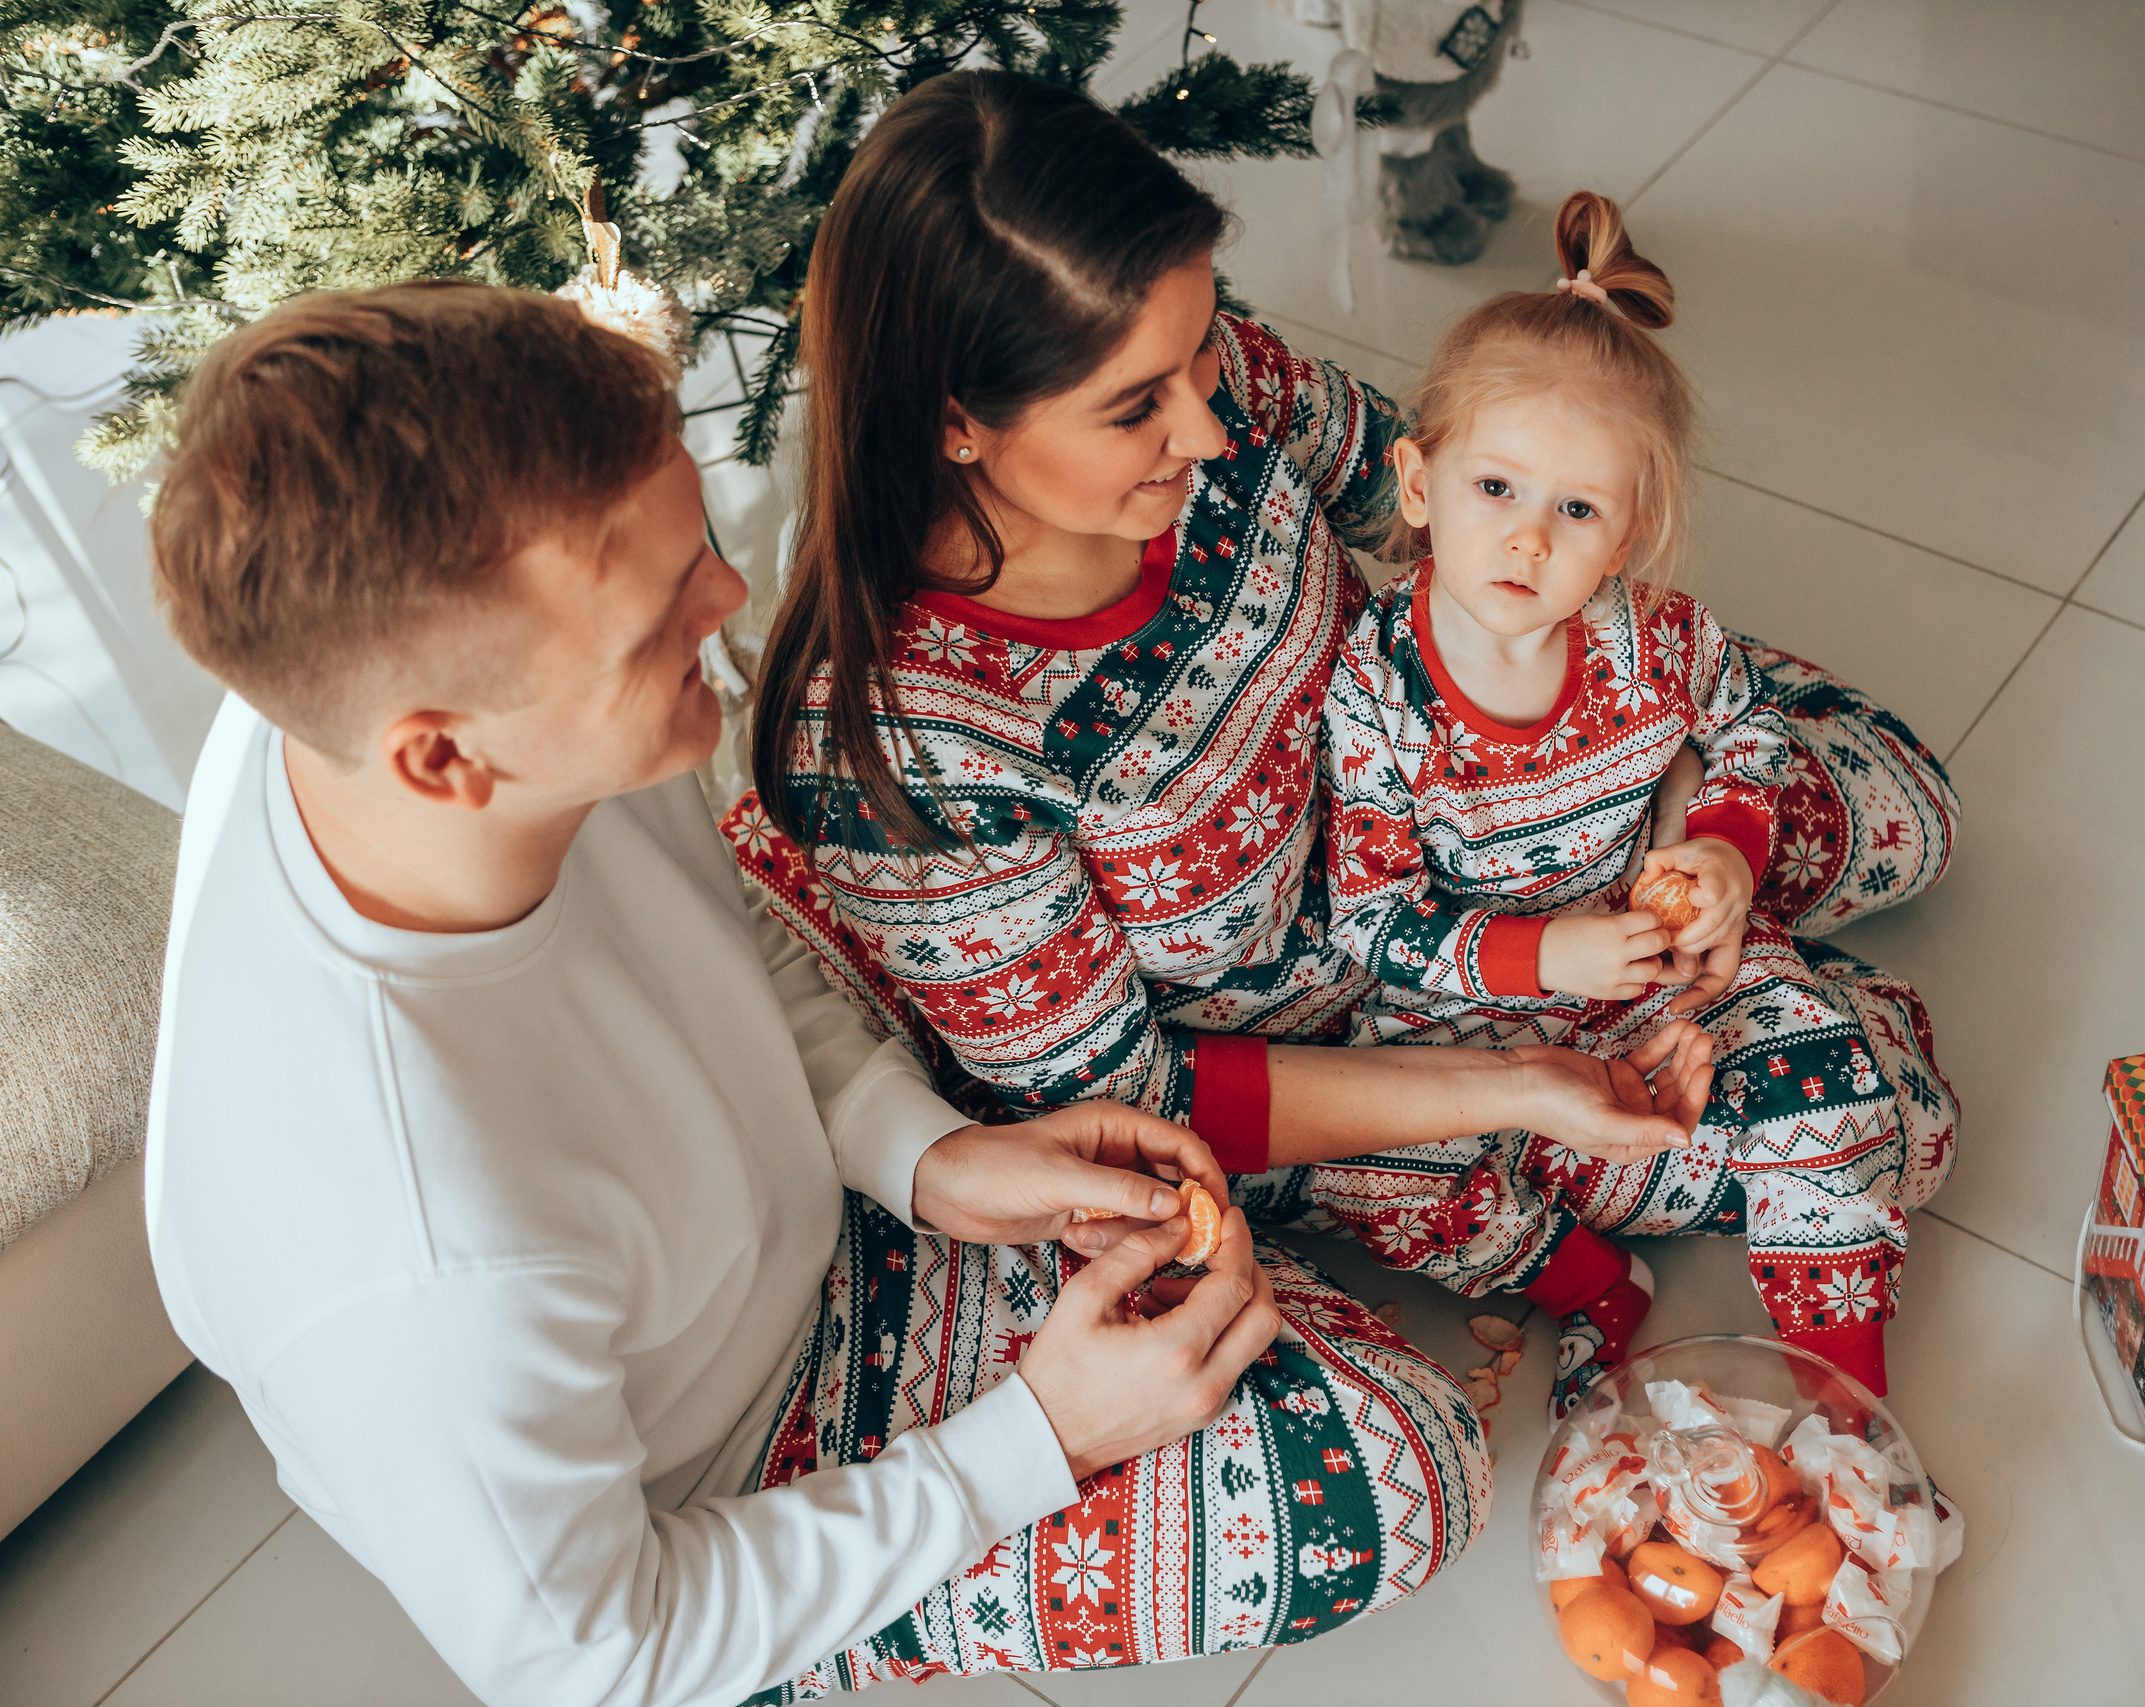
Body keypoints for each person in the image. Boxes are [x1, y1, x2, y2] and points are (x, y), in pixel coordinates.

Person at [137, 280, 1519, 1707]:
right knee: (1391, 1471)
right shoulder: (416, 1259)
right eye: (660, 609)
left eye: (693, 544)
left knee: (972, 974)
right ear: (442, 758)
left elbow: (709, 933)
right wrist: (1038, 1432)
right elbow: (599, 1656)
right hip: (727, 1458)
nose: (732, 599)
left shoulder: (417, 708)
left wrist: (922, 1155)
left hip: (774, 1208)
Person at [723, 74, 1955, 1437]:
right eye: (1137, 407)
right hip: (1354, 1029)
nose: (1207, 424)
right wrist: (1520, 1062)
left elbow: (1435, 496)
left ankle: (1753, 941)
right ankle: (1770, 1018)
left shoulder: (1218, 381)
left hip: (1481, 758)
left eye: (1203, 349)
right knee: (1821, 1120)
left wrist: (1683, 817)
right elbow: (1136, 1105)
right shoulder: (907, 747)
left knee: (1911, 812)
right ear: (956, 418)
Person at [1317, 191, 1951, 1412]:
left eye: (1576, 510)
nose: (1526, 541)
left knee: (1828, 1085)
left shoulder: (1654, 642)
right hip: (1477, 1017)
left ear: (1629, 534)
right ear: (1415, 481)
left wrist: (1721, 847)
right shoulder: (1378, 690)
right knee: (1364, 1171)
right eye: (1494, 488)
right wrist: (1543, 954)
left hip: (1662, 961)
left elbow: (1750, 729)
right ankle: (1597, 1284)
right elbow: (1373, 922)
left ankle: (1843, 1402)